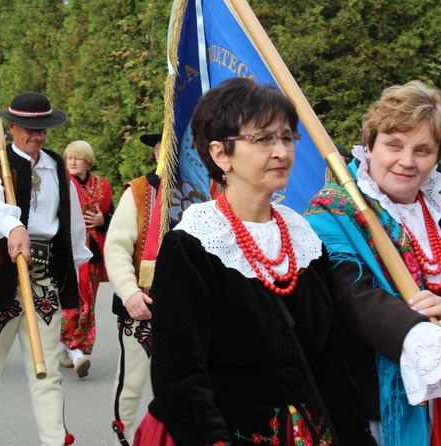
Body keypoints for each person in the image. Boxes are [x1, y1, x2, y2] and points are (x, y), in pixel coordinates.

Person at [133, 78, 376, 445]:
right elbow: (181, 376)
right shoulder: (194, 243)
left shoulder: (305, 238)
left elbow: (332, 363)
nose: (281, 151)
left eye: (286, 137)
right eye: (263, 139)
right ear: (220, 154)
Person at [305, 80, 441, 444]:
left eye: (423, 150)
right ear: (370, 145)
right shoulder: (333, 212)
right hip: (373, 408)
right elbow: (357, 299)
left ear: (438, 155)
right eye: (394, 145)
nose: (407, 162)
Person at [0, 91, 91, 446]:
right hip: (1, 278)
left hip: (43, 281)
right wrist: (13, 226)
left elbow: (72, 225)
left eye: (43, 128)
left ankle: (53, 440)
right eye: (30, 128)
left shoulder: (55, 168)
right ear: (12, 126)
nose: (37, 135)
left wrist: (75, 271)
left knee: (46, 371)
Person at [105, 131, 161, 445]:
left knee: (191, 383)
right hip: (144, 304)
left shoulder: (209, 190)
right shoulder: (139, 191)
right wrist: (128, 291)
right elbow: (116, 247)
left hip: (194, 308)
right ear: (157, 153)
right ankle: (122, 440)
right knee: (132, 383)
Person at [59, 140, 113, 378]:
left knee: (87, 303)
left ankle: (64, 347)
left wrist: (103, 221)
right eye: (69, 157)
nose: (71, 162)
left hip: (92, 254)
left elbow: (112, 215)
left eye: (77, 158)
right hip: (65, 252)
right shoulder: (60, 183)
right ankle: (76, 350)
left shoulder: (102, 186)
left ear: (87, 162)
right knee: (72, 302)